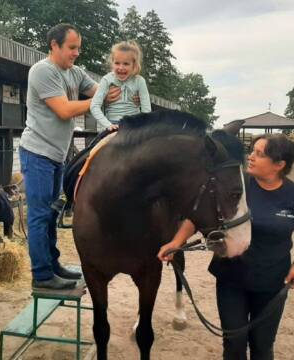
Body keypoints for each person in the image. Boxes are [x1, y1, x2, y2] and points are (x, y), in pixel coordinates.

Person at [158, 133, 294, 360]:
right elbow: (197, 216)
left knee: (262, 345)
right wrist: (176, 241)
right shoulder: (235, 182)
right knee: (234, 343)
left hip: (272, 281)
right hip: (233, 277)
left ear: (279, 165)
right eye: (252, 150)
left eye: (259, 154)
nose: (250, 157)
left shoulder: (291, 194)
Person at [19, 23, 120, 290]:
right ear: (54, 45)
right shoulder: (42, 71)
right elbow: (64, 111)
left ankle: (53, 265)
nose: (76, 53)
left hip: (56, 155)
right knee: (40, 215)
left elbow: (102, 90)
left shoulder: (75, 73)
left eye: (78, 48)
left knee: (52, 213)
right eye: (71, 48)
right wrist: (99, 101)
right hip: (37, 152)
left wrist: (121, 79)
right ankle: (41, 275)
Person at [90, 40, 151, 128]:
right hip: (112, 124)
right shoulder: (106, 80)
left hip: (134, 124)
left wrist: (142, 125)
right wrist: (108, 125)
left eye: (126, 64)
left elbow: (146, 109)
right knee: (97, 142)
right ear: (112, 62)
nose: (121, 67)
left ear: (134, 65)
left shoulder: (140, 81)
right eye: (117, 63)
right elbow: (94, 106)